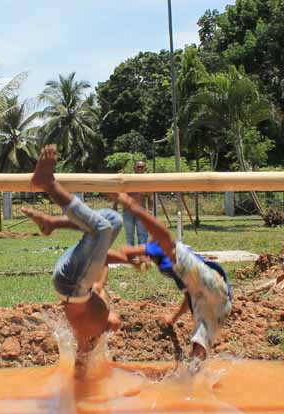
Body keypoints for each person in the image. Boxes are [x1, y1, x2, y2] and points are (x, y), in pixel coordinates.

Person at [21, 145, 141, 375]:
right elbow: (103, 256)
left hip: (71, 284)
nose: (116, 324)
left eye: (112, 325)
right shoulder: (98, 287)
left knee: (102, 230)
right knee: (111, 219)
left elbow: (80, 370)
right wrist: (128, 260)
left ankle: (48, 184)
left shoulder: (86, 343)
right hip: (75, 275)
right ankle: (53, 222)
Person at [117, 192, 232, 363]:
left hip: (211, 282)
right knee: (198, 349)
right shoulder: (178, 271)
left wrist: (132, 207)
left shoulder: (162, 249)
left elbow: (153, 242)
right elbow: (188, 297)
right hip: (218, 301)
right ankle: (196, 381)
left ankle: (194, 377)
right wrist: (173, 318)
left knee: (173, 250)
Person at [112, 160, 150, 246]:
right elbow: (120, 192)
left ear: (145, 168)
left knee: (143, 235)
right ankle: (131, 257)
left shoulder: (147, 181)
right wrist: (115, 205)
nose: (139, 169)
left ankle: (142, 255)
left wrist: (150, 211)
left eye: (142, 167)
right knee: (129, 235)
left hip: (141, 211)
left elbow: (150, 197)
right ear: (134, 168)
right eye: (138, 167)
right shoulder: (128, 179)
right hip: (127, 211)